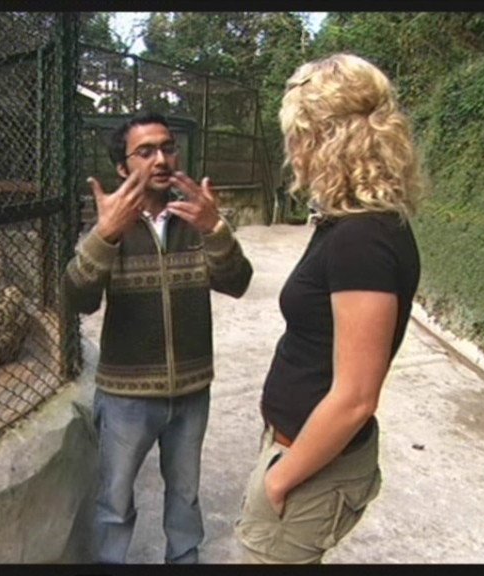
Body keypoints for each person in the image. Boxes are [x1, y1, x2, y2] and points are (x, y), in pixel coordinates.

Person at [235, 53, 425, 564]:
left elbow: (356, 397)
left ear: (325, 139)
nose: (293, 152)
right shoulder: (353, 224)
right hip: (299, 449)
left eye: (297, 137)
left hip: (311, 467)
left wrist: (280, 480)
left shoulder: (362, 239)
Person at [64, 111, 253, 564]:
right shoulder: (111, 226)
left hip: (191, 392)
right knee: (115, 502)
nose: (161, 159)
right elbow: (77, 298)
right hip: (126, 396)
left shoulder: (195, 220)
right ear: (122, 168)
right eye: (145, 152)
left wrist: (216, 230)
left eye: (168, 148)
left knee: (185, 498)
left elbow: (238, 282)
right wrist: (104, 235)